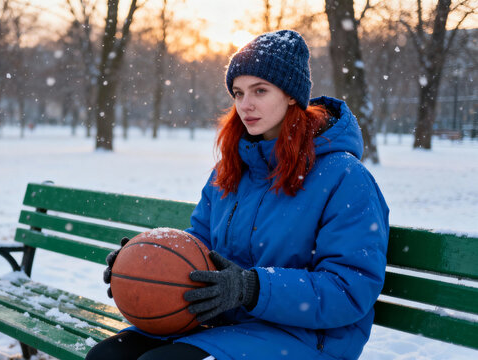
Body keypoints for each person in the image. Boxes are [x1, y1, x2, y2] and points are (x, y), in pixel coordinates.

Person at [87, 29, 389, 360]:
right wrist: (144, 265)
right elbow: (200, 245)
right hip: (223, 321)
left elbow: (348, 290)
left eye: (260, 90)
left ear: (291, 94)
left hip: (306, 337)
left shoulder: (345, 178)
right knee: (107, 357)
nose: (246, 105)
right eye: (238, 92)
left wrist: (252, 288)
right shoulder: (231, 168)